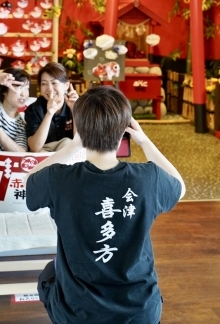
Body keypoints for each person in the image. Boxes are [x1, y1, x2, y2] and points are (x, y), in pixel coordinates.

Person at [25, 85, 186, 324]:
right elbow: (179, 187)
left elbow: (29, 184)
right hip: (140, 311)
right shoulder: (147, 178)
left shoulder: (58, 178)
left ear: (80, 127)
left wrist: (75, 144)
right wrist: (144, 141)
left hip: (77, 313)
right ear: (124, 131)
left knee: (50, 272)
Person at [25, 62, 79, 153]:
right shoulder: (34, 109)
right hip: (43, 156)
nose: (49, 89)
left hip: (68, 155)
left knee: (67, 143)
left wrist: (76, 111)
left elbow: (80, 143)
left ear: (66, 85)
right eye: (44, 84)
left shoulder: (76, 104)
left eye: (54, 83)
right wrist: (49, 114)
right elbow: (35, 148)